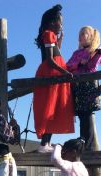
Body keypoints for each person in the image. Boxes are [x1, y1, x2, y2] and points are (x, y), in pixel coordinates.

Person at [33, 4, 75, 153]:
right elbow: (50, 60)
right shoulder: (48, 34)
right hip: (52, 73)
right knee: (50, 107)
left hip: (53, 73)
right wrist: (64, 72)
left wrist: (59, 40)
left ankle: (47, 143)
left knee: (54, 107)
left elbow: (56, 53)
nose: (61, 26)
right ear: (52, 22)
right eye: (60, 23)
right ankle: (44, 144)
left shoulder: (50, 35)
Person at [67, 26, 101, 148]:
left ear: (91, 37)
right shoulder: (76, 53)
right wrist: (79, 63)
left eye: (83, 34)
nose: (80, 36)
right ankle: (83, 144)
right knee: (81, 115)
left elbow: (92, 66)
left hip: (88, 85)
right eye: (79, 34)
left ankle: (89, 146)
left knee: (88, 114)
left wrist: (100, 53)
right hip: (78, 86)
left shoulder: (94, 51)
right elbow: (68, 66)